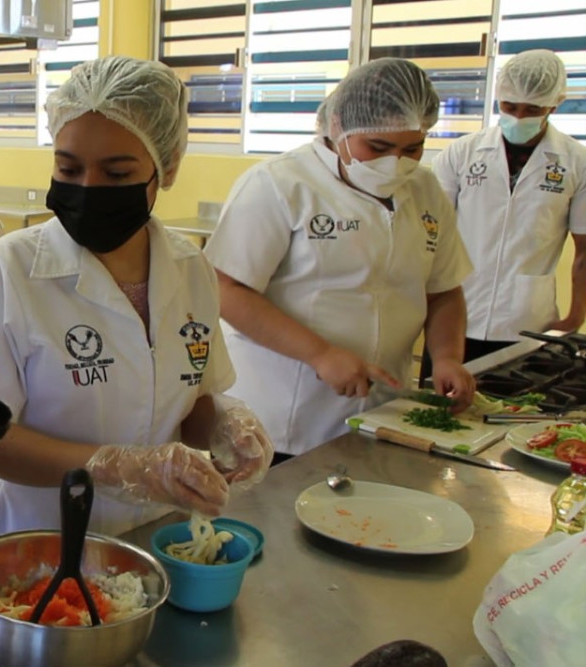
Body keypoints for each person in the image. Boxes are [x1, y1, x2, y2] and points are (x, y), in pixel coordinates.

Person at [0, 57, 274, 542]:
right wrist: (110, 466)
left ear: (166, 167)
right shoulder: (11, 269)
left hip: (156, 537)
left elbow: (191, 402)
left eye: (116, 174)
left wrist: (226, 426)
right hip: (40, 542)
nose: (88, 189)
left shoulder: (189, 268)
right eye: (68, 167)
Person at [204, 58, 477, 458]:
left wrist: (448, 358)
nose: (394, 162)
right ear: (337, 126)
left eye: (412, 148)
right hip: (279, 420)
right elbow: (225, 289)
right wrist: (320, 354)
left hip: (381, 412)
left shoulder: (424, 188)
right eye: (378, 147)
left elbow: (444, 290)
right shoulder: (280, 184)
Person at [432, 49, 586, 370]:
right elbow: (431, 233)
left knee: (512, 410)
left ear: (554, 104)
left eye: (532, 109)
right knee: (437, 411)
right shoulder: (462, 153)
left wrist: (575, 316)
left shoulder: (577, 163)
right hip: (455, 311)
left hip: (528, 318)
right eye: (509, 106)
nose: (518, 117)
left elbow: (584, 248)